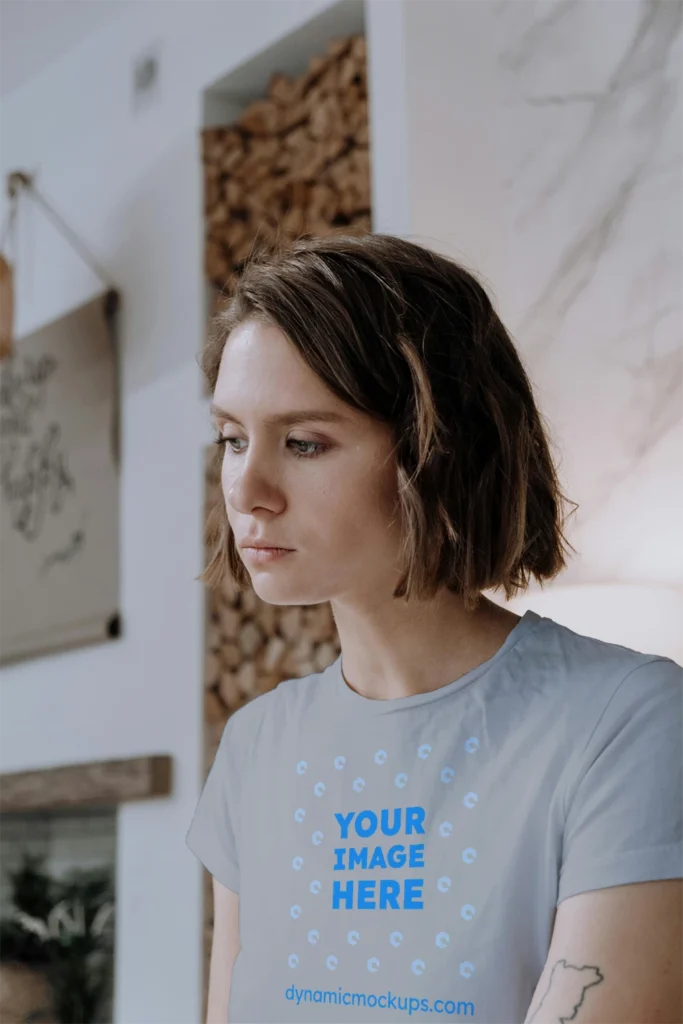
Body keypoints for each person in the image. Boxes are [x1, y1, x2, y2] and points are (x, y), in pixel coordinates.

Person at [186, 233, 683, 1024]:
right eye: (231, 439)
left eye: (304, 442)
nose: (246, 487)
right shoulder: (256, 747)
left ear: (437, 449)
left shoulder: (627, 721)